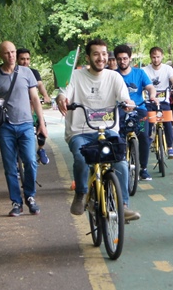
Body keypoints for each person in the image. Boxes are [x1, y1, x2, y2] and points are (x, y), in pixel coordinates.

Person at [56, 39, 140, 221]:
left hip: (107, 129)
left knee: (120, 161)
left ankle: (123, 205)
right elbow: (63, 93)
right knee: (81, 158)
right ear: (88, 57)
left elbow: (125, 98)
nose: (101, 58)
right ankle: (81, 193)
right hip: (80, 131)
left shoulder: (114, 77)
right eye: (96, 54)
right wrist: (61, 99)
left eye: (104, 54)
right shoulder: (75, 76)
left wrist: (128, 103)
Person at [0, 41, 48, 217]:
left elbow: (35, 98)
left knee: (31, 161)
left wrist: (41, 123)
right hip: (6, 127)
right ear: (0, 55)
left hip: (26, 125)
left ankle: (30, 197)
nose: (10, 56)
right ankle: (16, 202)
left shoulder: (26, 73)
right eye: (7, 53)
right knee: (10, 167)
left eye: (12, 52)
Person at [113, 44, 157, 181]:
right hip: (119, 109)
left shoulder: (140, 73)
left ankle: (143, 168)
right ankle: (119, 165)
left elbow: (150, 87)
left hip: (139, 109)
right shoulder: (113, 75)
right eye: (119, 59)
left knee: (144, 136)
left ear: (130, 58)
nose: (122, 61)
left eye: (125, 58)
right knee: (116, 136)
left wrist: (152, 96)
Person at [143, 47, 173, 158]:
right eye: (153, 57)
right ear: (150, 57)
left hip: (164, 101)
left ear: (162, 56)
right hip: (149, 102)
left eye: (158, 57)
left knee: (168, 123)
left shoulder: (168, 69)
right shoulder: (144, 70)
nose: (156, 60)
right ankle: (147, 141)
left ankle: (170, 147)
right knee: (147, 123)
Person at [17, 48, 51, 165]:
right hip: (19, 108)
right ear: (17, 60)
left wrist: (45, 96)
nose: (25, 62)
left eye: (27, 59)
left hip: (33, 105)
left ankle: (41, 149)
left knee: (41, 124)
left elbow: (40, 85)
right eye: (22, 59)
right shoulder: (13, 73)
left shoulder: (33, 72)